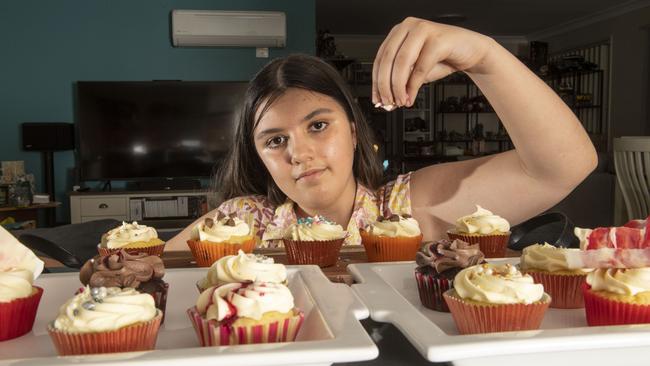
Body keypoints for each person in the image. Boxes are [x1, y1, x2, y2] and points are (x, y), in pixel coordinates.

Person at [165, 17, 597, 251]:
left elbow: (561, 169)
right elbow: (143, 278)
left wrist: (483, 56)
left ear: (354, 133)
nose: (299, 153)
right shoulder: (240, 222)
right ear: (257, 154)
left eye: (318, 125)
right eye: (275, 140)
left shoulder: (410, 210)